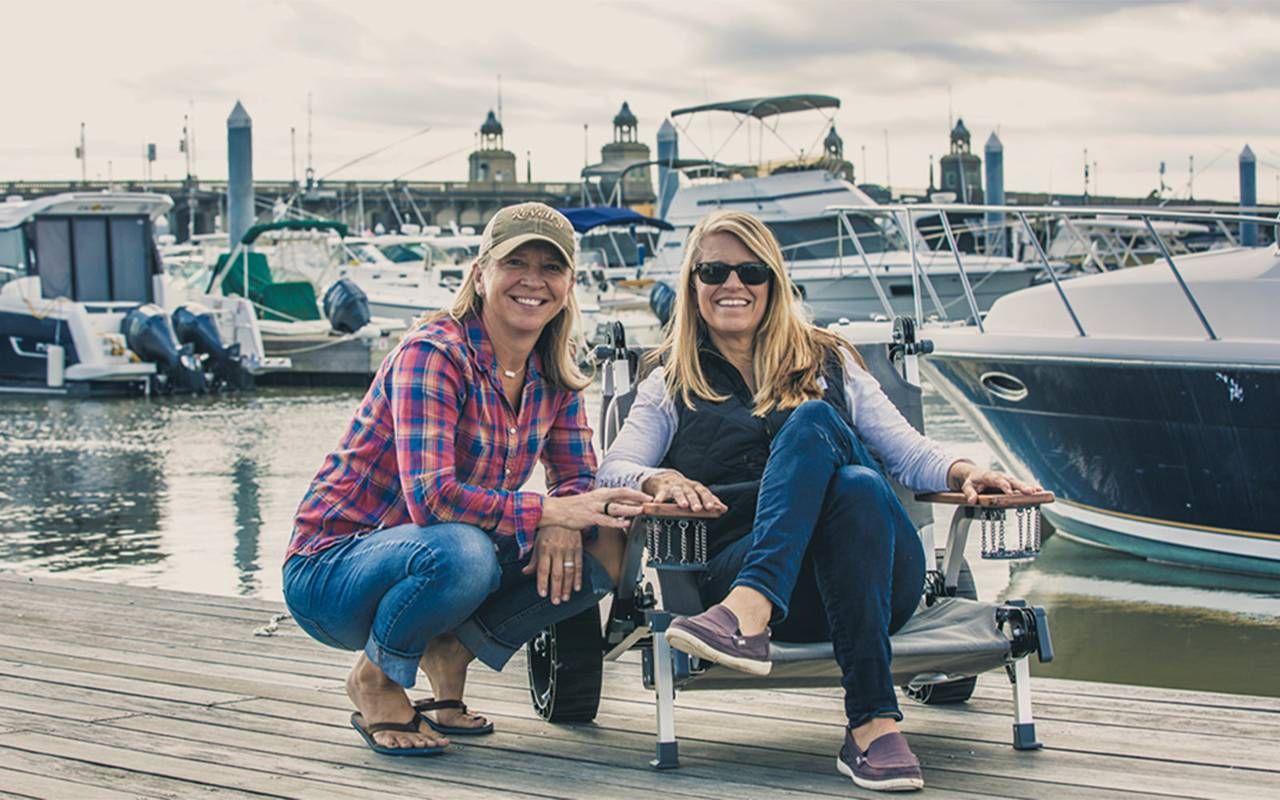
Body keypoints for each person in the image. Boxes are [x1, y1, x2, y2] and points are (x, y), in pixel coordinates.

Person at [597, 209, 1039, 792]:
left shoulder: (830, 361)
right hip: (741, 567)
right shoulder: (669, 383)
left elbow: (909, 452)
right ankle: (873, 725)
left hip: (870, 578)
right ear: (693, 284)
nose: (733, 285)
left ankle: (751, 610)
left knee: (825, 438)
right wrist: (655, 479)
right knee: (853, 483)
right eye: (714, 271)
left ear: (774, 282)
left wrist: (966, 469)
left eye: (751, 271)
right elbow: (614, 469)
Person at [284, 203, 649, 756]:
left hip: (440, 552)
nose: (533, 281)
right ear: (481, 273)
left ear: (569, 283)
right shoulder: (434, 353)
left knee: (608, 542)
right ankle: (374, 680)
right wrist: (548, 513)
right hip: (332, 570)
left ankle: (451, 651)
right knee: (465, 550)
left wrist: (567, 521)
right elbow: (431, 500)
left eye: (550, 268)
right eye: (515, 263)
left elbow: (576, 474)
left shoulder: (558, 364)